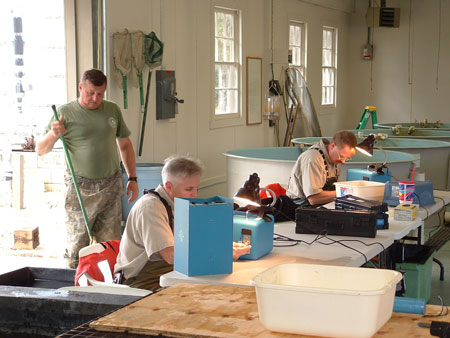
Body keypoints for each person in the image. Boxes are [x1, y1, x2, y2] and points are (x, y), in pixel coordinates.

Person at [35, 68, 139, 269]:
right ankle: (76, 289)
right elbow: (40, 150)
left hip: (111, 184)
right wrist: (53, 135)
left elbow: (125, 146)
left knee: (110, 246)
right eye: (90, 92)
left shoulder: (112, 110)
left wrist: (132, 179)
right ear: (80, 87)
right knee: (77, 246)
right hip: (80, 187)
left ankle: (107, 289)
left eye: (100, 94)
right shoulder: (65, 113)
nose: (95, 98)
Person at [114, 155, 250, 291]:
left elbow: (193, 244)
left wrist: (223, 246)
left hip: (168, 273)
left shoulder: (179, 204)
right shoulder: (151, 207)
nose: (195, 195)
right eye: (189, 189)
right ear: (169, 186)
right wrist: (222, 254)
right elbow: (171, 256)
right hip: (139, 282)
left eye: (197, 188)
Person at [286, 130, 357, 206]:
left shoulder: (335, 159)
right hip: (300, 206)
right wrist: (345, 192)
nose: (343, 161)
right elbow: (314, 199)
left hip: (322, 205)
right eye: (342, 156)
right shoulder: (313, 159)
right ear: (333, 146)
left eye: (347, 158)